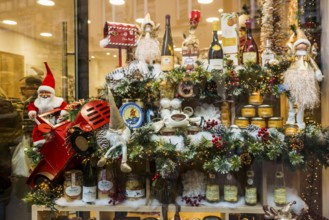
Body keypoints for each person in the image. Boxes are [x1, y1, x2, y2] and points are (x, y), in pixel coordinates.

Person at [283, 28, 323, 129]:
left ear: (307, 46)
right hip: (294, 78)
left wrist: (317, 72)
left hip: (305, 79)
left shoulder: (307, 57)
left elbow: (313, 65)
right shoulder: (294, 57)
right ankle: (291, 118)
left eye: (304, 44)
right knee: (291, 98)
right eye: (299, 44)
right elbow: (288, 62)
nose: (301, 46)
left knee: (302, 101)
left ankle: (300, 120)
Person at [28, 62, 68, 146]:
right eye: (41, 93)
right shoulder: (36, 102)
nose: (44, 95)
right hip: (41, 123)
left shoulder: (58, 101)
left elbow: (65, 107)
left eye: (47, 92)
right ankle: (39, 143)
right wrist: (32, 112)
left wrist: (63, 113)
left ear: (52, 93)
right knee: (36, 131)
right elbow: (31, 106)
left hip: (56, 123)